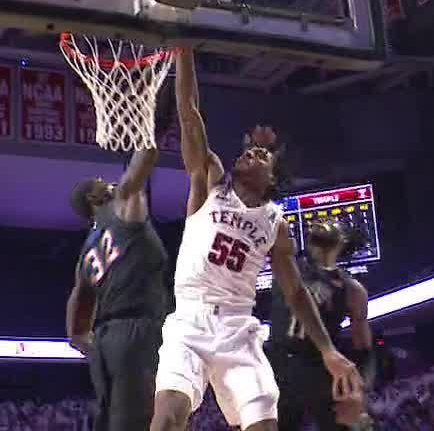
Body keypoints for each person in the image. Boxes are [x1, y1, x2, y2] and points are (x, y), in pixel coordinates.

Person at [150, 49, 360, 431]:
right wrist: (184, 49)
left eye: (262, 155)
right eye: (249, 151)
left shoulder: (275, 224)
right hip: (189, 320)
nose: (253, 153)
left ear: (274, 175)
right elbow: (188, 111)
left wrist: (328, 350)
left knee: (263, 426)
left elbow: (296, 293)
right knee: (167, 417)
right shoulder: (209, 181)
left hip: (237, 329)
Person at [65, 145, 166, 431]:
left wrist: (93, 347)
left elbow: (75, 330)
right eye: (102, 182)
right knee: (141, 421)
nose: (109, 183)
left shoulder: (86, 254)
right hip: (137, 331)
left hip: (108, 342)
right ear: (92, 197)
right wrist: (149, 128)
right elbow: (142, 164)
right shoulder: (121, 206)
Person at [268, 219, 373, 431]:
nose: (324, 225)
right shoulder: (287, 265)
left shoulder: (352, 289)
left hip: (320, 366)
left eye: (331, 225)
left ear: (341, 242)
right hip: (277, 364)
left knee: (356, 423)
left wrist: (360, 394)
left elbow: (364, 350)